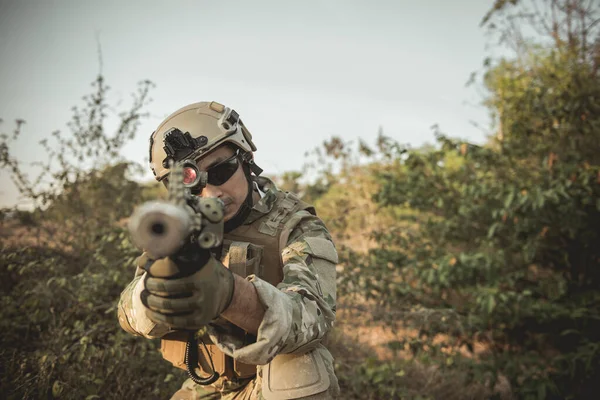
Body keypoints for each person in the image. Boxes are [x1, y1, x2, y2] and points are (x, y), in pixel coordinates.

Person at [118, 101, 340, 399]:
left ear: (246, 158)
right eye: (191, 184)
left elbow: (313, 319)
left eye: (221, 170)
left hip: (267, 381)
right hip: (204, 385)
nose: (211, 193)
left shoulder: (295, 225)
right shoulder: (179, 226)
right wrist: (154, 294)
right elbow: (127, 315)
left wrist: (227, 294)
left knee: (304, 371)